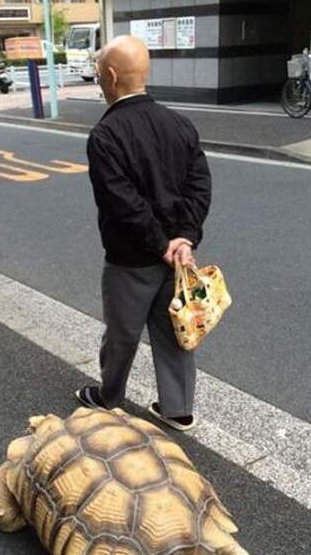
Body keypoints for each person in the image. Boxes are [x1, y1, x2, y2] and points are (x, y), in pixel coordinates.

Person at [75, 35, 212, 431]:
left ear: (111, 76)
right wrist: (184, 239)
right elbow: (199, 185)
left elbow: (123, 203)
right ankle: (178, 409)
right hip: (179, 260)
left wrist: (160, 243)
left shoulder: (106, 135)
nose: (100, 81)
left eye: (100, 75)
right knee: (176, 332)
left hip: (131, 258)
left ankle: (109, 397)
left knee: (122, 332)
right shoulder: (180, 124)